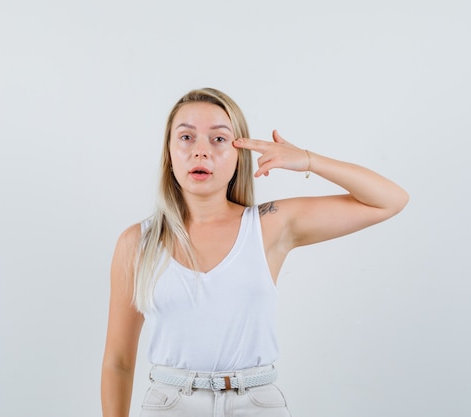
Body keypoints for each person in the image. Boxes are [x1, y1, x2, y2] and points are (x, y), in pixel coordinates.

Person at [101, 88, 409, 417]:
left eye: (218, 139)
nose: (201, 151)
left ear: (239, 154)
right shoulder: (138, 242)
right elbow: (118, 361)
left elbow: (389, 199)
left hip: (256, 404)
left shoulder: (268, 225)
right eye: (186, 137)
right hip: (170, 405)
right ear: (169, 151)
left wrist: (308, 160)